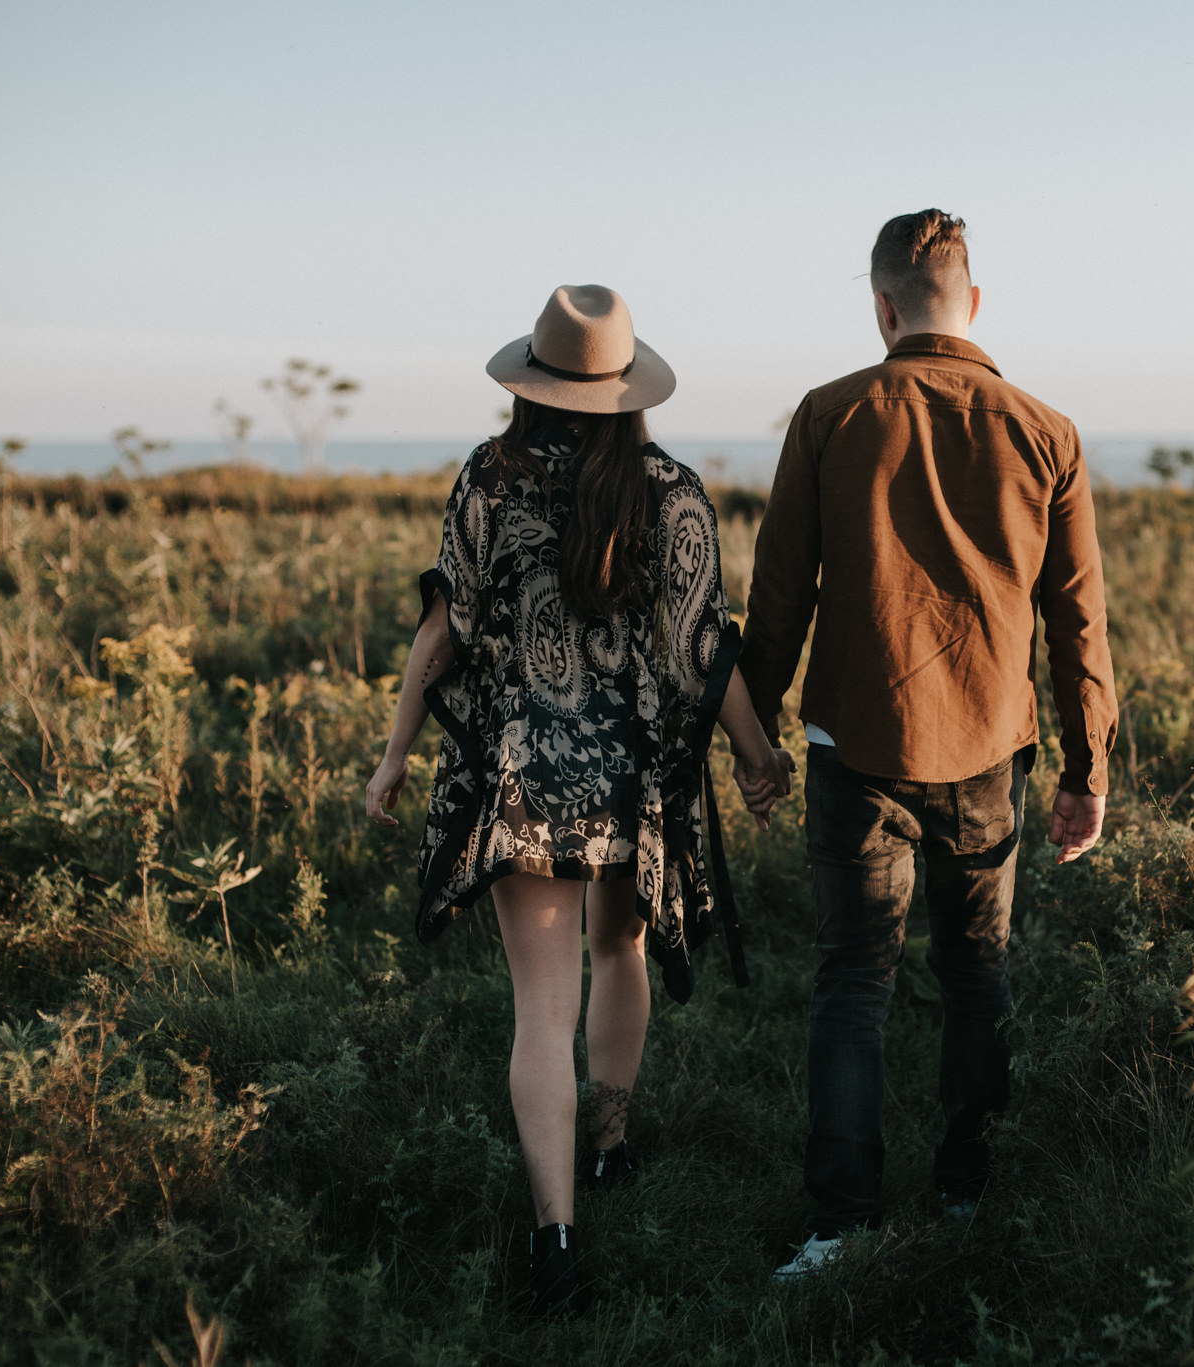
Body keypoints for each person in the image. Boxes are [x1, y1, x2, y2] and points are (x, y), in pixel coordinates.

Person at [364, 284, 790, 1314]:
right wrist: (756, 751)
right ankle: (610, 1147)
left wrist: (392, 756)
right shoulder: (672, 490)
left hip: (521, 776)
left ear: (533, 383)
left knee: (539, 1009)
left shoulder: (488, 478)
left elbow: (444, 630)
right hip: (630, 776)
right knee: (620, 953)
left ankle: (553, 1235)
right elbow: (699, 650)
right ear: (626, 387)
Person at [739, 211, 1118, 1278]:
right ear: (974, 304)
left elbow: (777, 595)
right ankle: (963, 1189)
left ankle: (839, 1225)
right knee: (976, 971)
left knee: (852, 980)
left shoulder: (827, 413)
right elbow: (1077, 622)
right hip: (988, 754)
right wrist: (1087, 769)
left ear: (880, 307)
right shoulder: (1048, 429)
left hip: (853, 747)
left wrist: (752, 731)